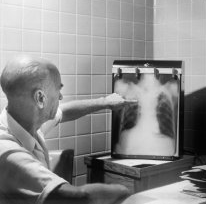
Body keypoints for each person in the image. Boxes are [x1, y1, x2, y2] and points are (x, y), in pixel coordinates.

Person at [0, 56, 137, 204]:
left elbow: (65, 111)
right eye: (58, 89)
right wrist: (130, 192)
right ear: (40, 98)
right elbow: (80, 197)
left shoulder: (27, 121)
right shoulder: (8, 152)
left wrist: (105, 102)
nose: (61, 96)